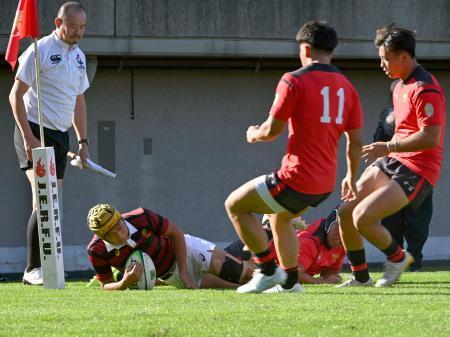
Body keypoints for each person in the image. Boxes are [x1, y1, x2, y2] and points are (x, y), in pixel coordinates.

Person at [225, 20, 363, 293]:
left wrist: (253, 133)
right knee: (280, 219)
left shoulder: (294, 79)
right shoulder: (348, 87)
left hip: (296, 178)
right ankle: (289, 283)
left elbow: (271, 130)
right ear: (331, 50)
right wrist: (350, 176)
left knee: (235, 205)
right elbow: (356, 142)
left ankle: (266, 270)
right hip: (324, 184)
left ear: (306, 48)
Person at [337, 25, 446, 287]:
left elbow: (430, 137)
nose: (382, 64)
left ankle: (398, 258)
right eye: (380, 58)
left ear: (404, 57)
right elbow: (402, 131)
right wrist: (355, 172)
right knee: (345, 210)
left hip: (419, 168)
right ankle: (361, 277)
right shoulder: (398, 86)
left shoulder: (425, 88)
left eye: (386, 58)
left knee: (363, 217)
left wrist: (387, 147)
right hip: (394, 160)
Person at [9, 2, 90, 285]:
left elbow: (79, 101)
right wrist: (29, 137)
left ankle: (48, 268)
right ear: (58, 24)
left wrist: (83, 141)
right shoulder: (38, 49)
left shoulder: (79, 56)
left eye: (83, 28)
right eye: (73, 27)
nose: (78, 33)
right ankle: (33, 269)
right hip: (33, 129)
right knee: (44, 198)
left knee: (51, 201)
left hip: (60, 134)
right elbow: (14, 96)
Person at [86, 204, 253, 290]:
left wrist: (184, 271)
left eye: (120, 227)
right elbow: (105, 286)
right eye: (112, 234)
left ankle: (271, 265)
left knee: (243, 274)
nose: (120, 235)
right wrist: (123, 283)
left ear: (121, 218)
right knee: (237, 288)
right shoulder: (96, 250)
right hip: (170, 276)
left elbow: (176, 233)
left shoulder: (141, 216)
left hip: (187, 250)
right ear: (102, 237)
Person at [375, 105, 433, 272]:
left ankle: (414, 261)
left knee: (419, 224)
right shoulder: (388, 115)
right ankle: (395, 259)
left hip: (419, 174)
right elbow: (378, 143)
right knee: (391, 223)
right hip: (392, 174)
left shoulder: (422, 120)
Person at [226, 209, 346, 284]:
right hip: (245, 256)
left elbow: (330, 273)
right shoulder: (309, 241)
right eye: (339, 229)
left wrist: (330, 279)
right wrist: (321, 282)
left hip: (263, 263)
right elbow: (293, 274)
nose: (341, 237)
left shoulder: (341, 242)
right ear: (331, 222)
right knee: (217, 274)